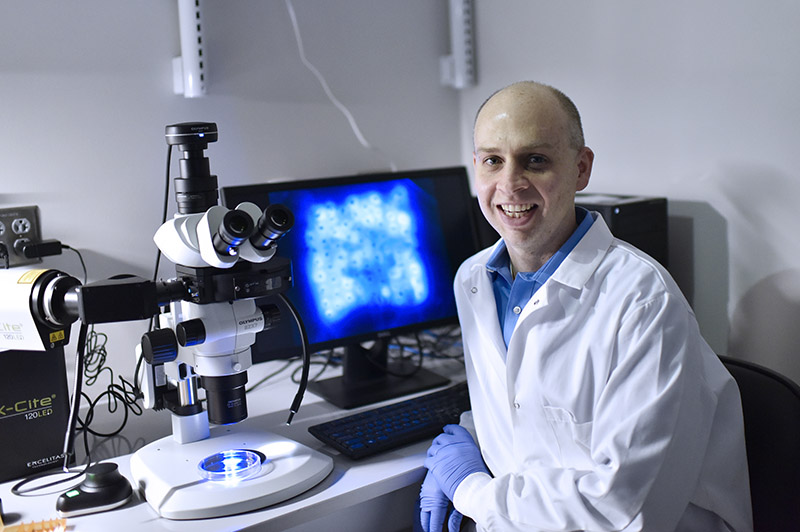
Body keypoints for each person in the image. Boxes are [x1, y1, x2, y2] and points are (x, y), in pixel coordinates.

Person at [418, 81, 752, 532]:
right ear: (476, 166)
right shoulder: (474, 280)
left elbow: (627, 515)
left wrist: (471, 489)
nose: (510, 184)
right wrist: (471, 437)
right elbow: (524, 408)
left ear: (581, 169)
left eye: (535, 160)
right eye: (493, 160)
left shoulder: (642, 302)